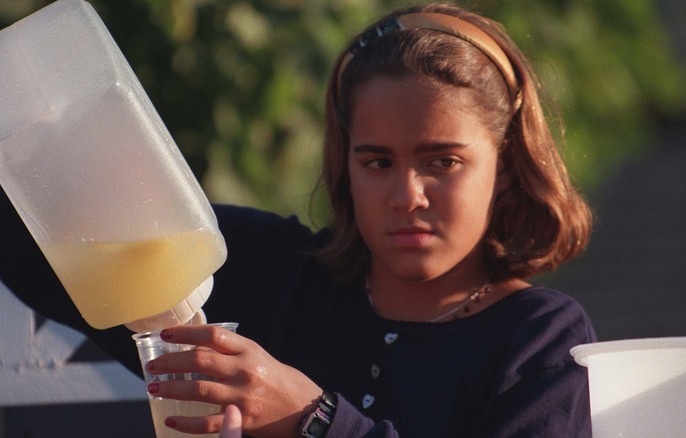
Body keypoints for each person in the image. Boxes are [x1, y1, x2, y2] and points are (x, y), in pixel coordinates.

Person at [0, 3, 596, 437]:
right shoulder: (271, 272)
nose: (406, 194)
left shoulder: (540, 340)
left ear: (509, 168)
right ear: (345, 169)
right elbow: (32, 244)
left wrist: (313, 420)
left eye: (443, 162)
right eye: (377, 162)